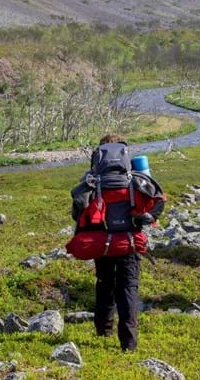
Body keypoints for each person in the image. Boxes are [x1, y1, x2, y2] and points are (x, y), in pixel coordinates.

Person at [70, 133, 165, 351]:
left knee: (104, 284)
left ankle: (103, 331)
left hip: (101, 243)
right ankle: (128, 344)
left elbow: (77, 210)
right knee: (128, 288)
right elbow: (157, 202)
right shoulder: (135, 178)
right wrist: (145, 219)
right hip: (130, 243)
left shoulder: (92, 179)